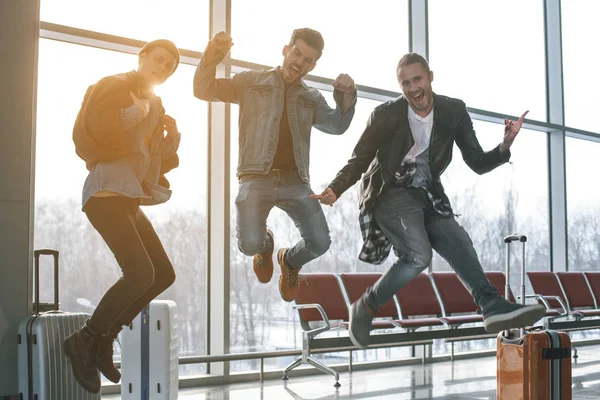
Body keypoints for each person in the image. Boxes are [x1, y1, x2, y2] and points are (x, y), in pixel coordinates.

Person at [311, 52, 546, 348]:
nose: (413, 88)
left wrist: (505, 145)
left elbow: (476, 162)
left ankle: (491, 305)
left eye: (418, 79)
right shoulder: (386, 115)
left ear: (430, 77)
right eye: (405, 83)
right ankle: (365, 306)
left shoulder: (453, 111)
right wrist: (336, 188)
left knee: (458, 239)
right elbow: (360, 159)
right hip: (391, 191)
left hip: (427, 192)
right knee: (419, 255)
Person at [194, 28, 357, 302]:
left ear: (314, 66)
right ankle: (265, 245)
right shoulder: (250, 82)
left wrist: (347, 95)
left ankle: (290, 262)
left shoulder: (311, 97)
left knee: (320, 242)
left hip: (297, 183)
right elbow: (203, 89)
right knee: (248, 246)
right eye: (297, 53)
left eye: (307, 60)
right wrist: (214, 53)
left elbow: (338, 125)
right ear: (285, 50)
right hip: (255, 178)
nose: (299, 63)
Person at [65, 39, 182, 392]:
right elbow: (91, 131)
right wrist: (132, 114)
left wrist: (171, 142)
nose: (161, 69)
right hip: (105, 191)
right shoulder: (115, 84)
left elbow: (148, 159)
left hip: (127, 195)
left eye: (169, 67)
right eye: (158, 60)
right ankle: (85, 341)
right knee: (140, 272)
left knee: (162, 273)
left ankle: (105, 336)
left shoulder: (155, 104)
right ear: (142, 56)